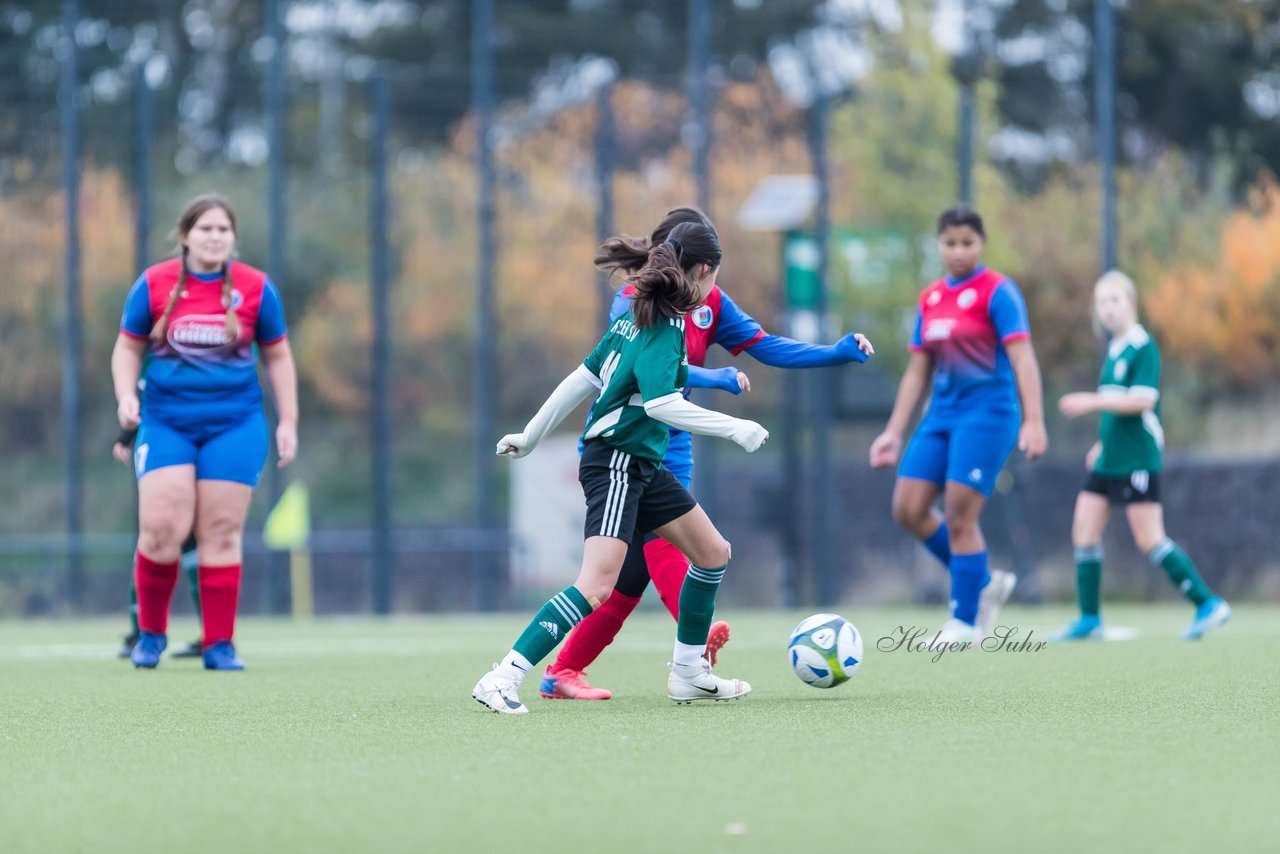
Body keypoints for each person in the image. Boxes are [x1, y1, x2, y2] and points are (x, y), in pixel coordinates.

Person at [539, 207, 874, 700]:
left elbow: (766, 345)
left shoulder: (711, 302)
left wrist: (834, 352)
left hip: (674, 439)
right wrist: (711, 377)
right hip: (627, 436)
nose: (709, 275)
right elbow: (645, 367)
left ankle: (562, 671)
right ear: (686, 260)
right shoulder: (633, 298)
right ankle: (692, 640)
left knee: (631, 576)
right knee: (664, 541)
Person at [472, 219, 767, 714]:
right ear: (702, 271)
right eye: (714, 279)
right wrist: (733, 428)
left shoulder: (640, 313)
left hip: (642, 464)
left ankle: (691, 673)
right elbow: (661, 405)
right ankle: (502, 677)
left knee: (712, 552)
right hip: (615, 465)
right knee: (596, 585)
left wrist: (530, 435)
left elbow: (582, 376)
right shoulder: (665, 323)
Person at [111, 193, 298, 671]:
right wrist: (126, 396)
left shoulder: (257, 288)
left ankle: (219, 644)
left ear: (233, 238)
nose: (215, 237)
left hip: (234, 424)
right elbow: (127, 348)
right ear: (186, 236)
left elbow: (277, 355)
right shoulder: (154, 283)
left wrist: (289, 421)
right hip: (166, 422)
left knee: (220, 530)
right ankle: (150, 636)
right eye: (205, 229)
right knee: (160, 529)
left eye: (223, 230)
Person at [869, 205, 1047, 643]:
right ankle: (982, 582)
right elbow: (917, 372)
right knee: (908, 509)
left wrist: (1036, 421)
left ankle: (965, 622)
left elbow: (1023, 358)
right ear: (939, 245)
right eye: (950, 243)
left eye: (967, 243)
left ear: (981, 243)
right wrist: (893, 431)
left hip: (989, 415)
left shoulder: (998, 292)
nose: (958, 251)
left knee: (959, 514)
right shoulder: (931, 298)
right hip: (941, 415)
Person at [1053, 271, 1230, 641]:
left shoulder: (1142, 346)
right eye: (1101, 302)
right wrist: (1102, 443)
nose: (1108, 309)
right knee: (1083, 531)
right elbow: (1119, 410)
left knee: (1150, 539)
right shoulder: (1115, 349)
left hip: (1136, 461)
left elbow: (1143, 401)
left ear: (1130, 303)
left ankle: (1207, 603)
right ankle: (1089, 620)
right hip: (1109, 459)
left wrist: (1092, 401)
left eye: (1114, 300)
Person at [113, 422, 203, 659]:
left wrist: (124, 437)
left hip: (187, 450)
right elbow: (142, 403)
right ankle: (143, 633)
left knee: (193, 540)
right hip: (163, 450)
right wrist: (126, 436)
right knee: (154, 542)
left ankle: (215, 637)